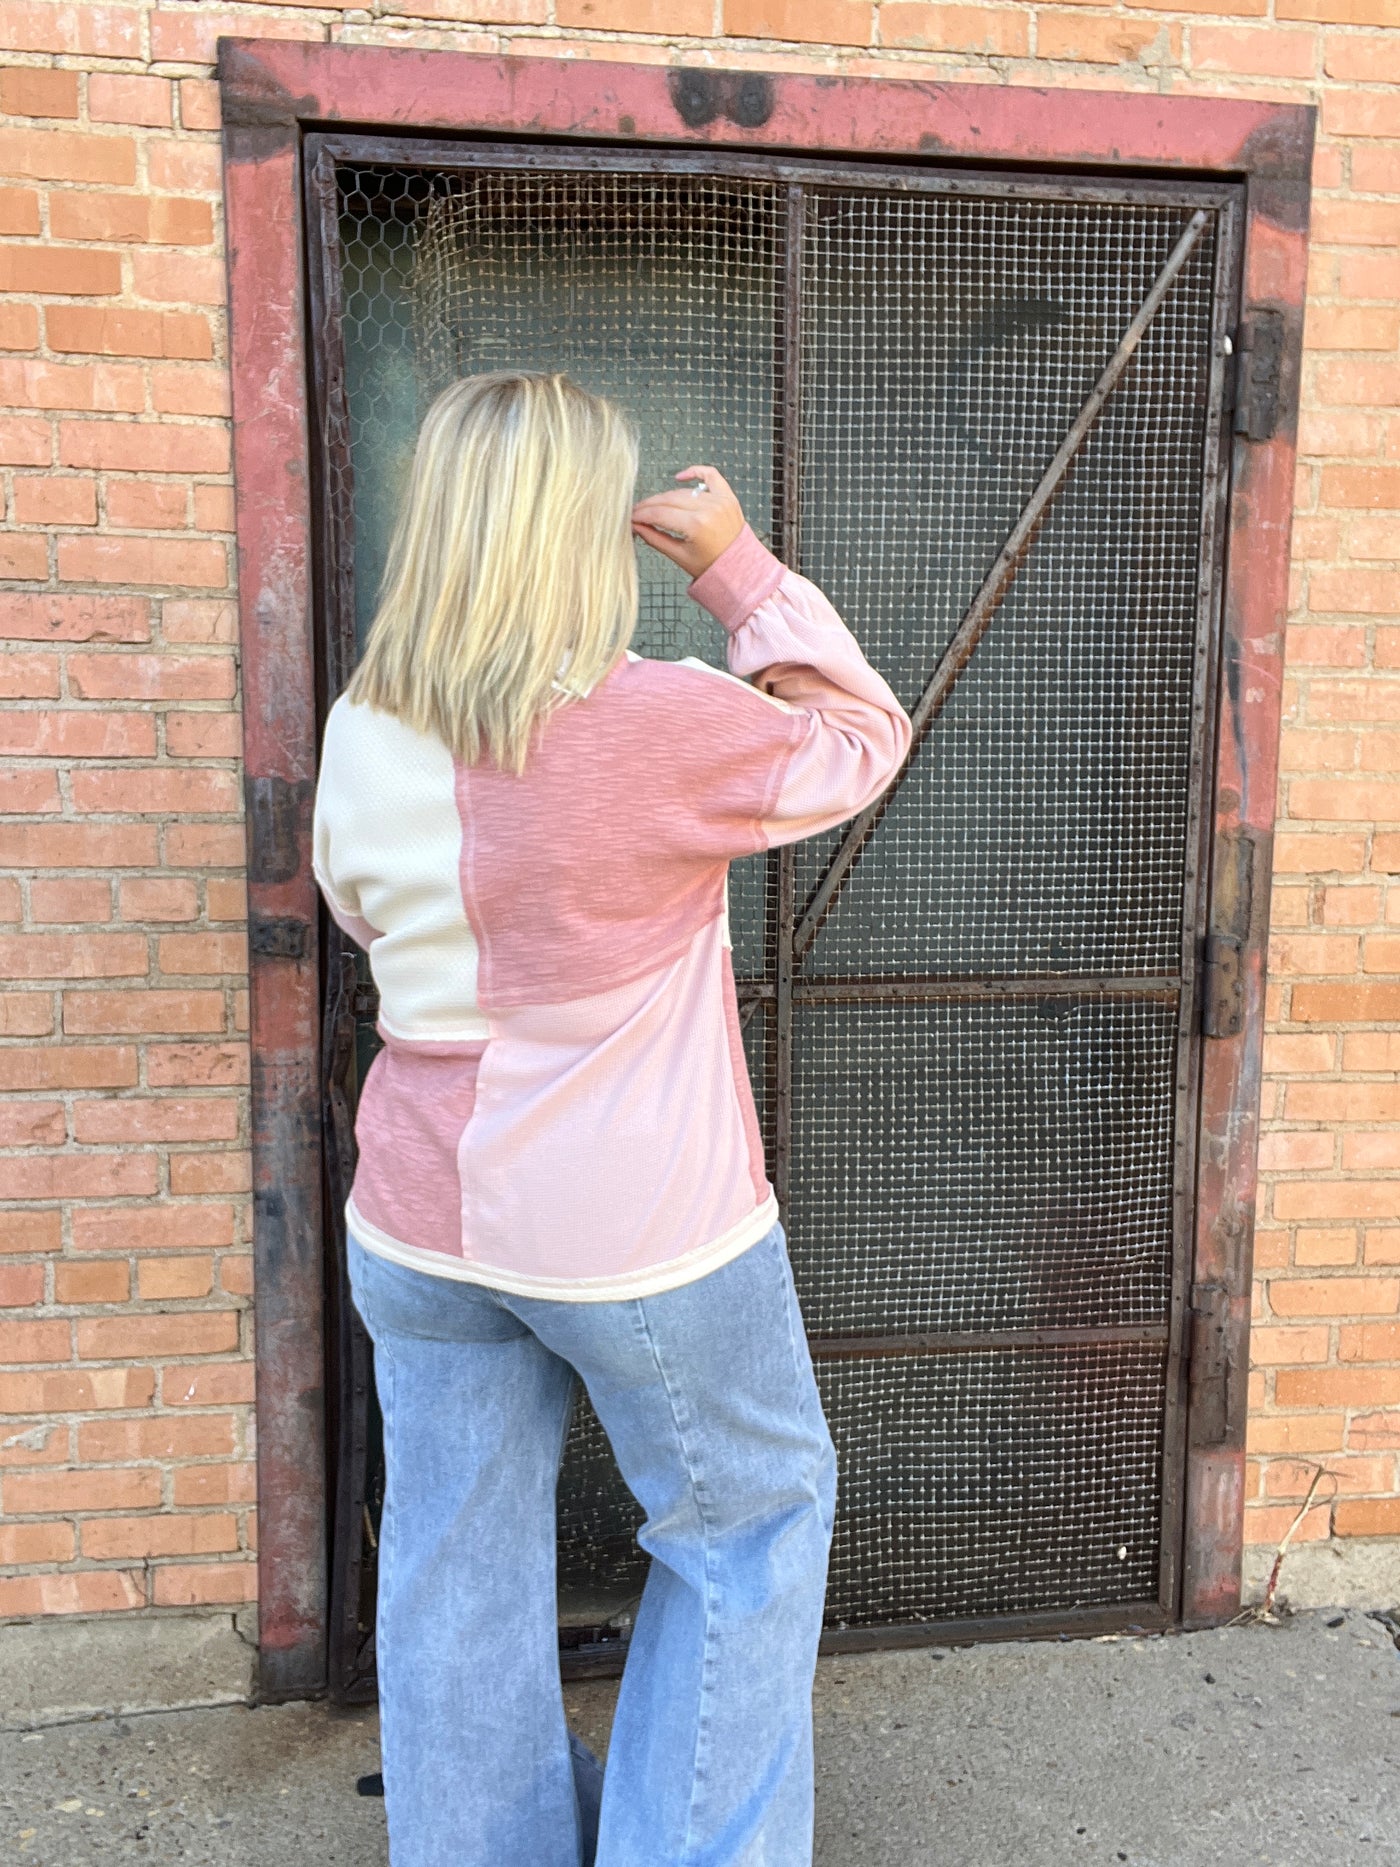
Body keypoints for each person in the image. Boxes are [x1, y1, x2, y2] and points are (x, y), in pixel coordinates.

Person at [313, 370, 912, 1867]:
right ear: (585, 528)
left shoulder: (362, 720)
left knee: (454, 1566)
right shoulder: (653, 720)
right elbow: (859, 735)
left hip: (415, 1220)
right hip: (634, 1231)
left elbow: (350, 907)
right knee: (751, 1522)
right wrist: (733, 564)